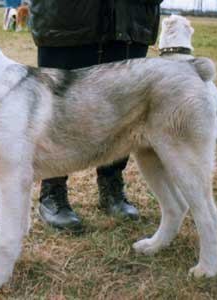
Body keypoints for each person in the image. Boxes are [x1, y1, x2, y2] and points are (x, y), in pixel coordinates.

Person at [29, 0, 163, 231]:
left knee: (123, 111)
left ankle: (112, 188)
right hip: (65, 18)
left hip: (130, 19)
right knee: (60, 110)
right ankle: (53, 190)